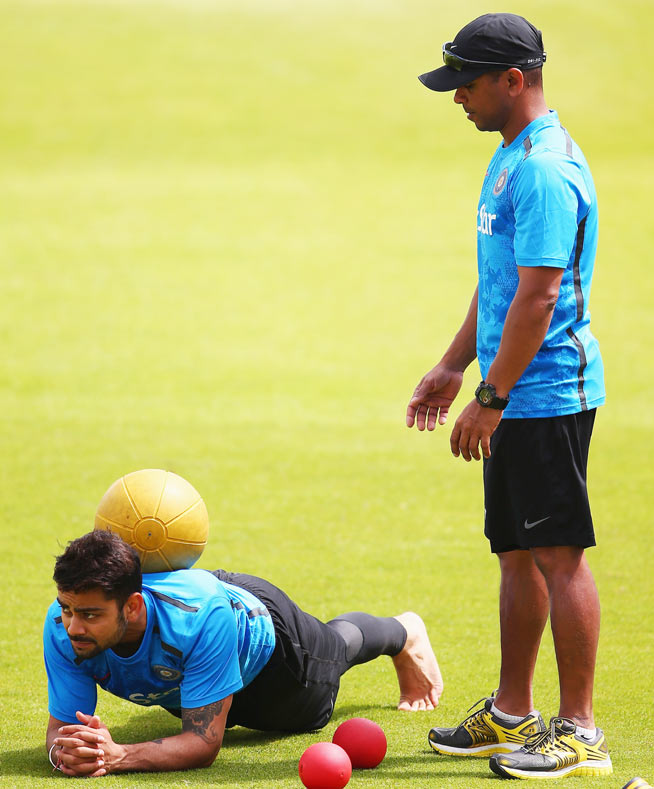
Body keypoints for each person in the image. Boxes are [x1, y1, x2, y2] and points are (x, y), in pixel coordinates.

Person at [407, 13, 611, 780]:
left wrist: (491, 395)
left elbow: (538, 297)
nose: (457, 95)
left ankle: (581, 729)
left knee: (560, 555)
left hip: (546, 392)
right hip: (512, 388)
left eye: (466, 82)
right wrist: (455, 364)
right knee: (517, 555)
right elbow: (499, 284)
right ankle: (512, 712)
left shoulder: (544, 168)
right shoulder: (509, 157)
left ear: (513, 81)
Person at [44, 530, 443, 777]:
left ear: (131, 606)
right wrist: (68, 752)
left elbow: (202, 744)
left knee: (333, 655)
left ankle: (404, 631)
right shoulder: (63, 628)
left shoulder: (197, 621)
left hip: (264, 645)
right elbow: (58, 733)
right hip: (198, 629)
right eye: (67, 609)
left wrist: (118, 756)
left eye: (91, 614)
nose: (74, 626)